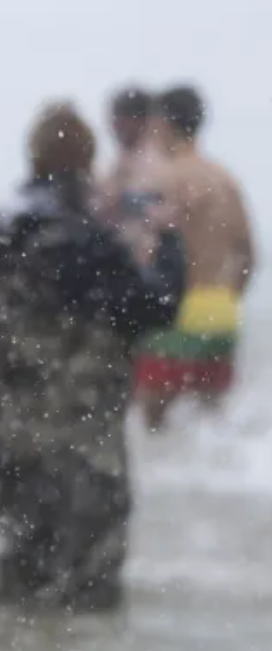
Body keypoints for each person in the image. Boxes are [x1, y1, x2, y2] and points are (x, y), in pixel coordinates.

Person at [0, 104, 183, 612]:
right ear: (87, 161)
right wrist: (166, 242)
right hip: (85, 451)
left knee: (19, 583)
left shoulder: (2, 232)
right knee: (89, 598)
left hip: (18, 444)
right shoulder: (89, 239)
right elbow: (156, 308)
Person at [134, 86, 255, 429]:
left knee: (153, 416)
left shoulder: (165, 177)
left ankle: (164, 483)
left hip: (180, 307)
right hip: (222, 307)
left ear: (164, 124)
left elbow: (146, 249)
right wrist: (229, 297)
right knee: (211, 420)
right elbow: (249, 252)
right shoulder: (225, 179)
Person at [95, 86, 165, 229]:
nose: (113, 127)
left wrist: (121, 202)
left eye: (119, 121)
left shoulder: (156, 159)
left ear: (140, 121)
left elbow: (157, 205)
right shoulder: (117, 159)